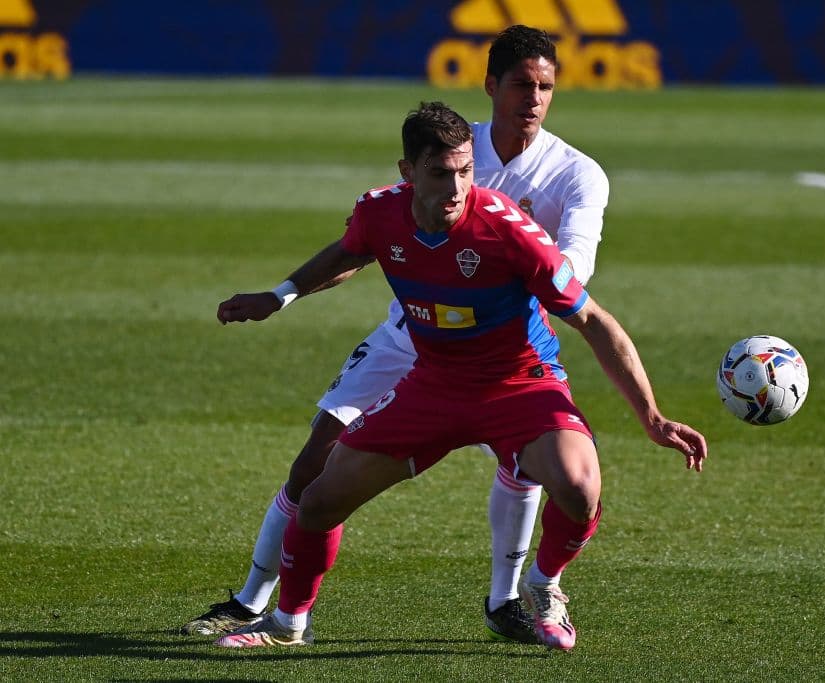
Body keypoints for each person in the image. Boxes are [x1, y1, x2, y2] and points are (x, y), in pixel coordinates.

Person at [210, 101, 706, 651]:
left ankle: (543, 585)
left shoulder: (510, 232)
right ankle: (285, 623)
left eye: (466, 171)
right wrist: (278, 297)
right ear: (408, 173)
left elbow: (592, 320)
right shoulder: (379, 212)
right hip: (435, 385)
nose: (456, 187)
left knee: (580, 488)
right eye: (440, 173)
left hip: (520, 383)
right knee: (321, 497)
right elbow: (351, 252)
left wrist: (652, 416)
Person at [181, 25, 610, 645]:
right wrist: (282, 294)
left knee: (534, 469)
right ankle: (254, 602)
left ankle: (507, 599)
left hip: (503, 341)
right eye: (522, 84)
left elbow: (573, 272)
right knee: (316, 461)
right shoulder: (453, 146)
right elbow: (367, 243)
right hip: (412, 334)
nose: (534, 98)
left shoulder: (577, 175)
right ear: (492, 86)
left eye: (546, 86)